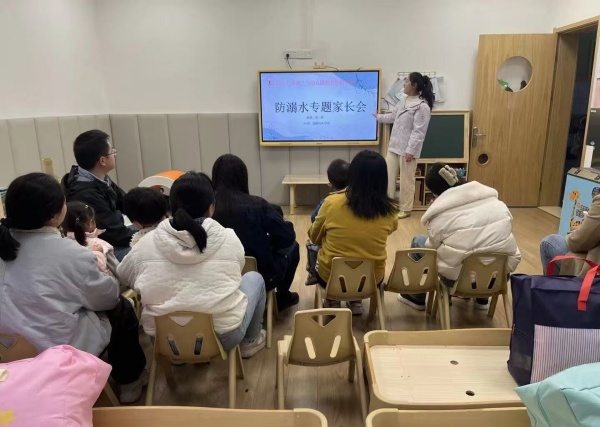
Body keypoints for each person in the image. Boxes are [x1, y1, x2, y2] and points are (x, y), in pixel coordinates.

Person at [0, 173, 147, 403]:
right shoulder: (70, 253)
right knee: (122, 308)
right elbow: (107, 297)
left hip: (9, 350)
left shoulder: (7, 243)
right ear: (54, 215)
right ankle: (129, 380)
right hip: (53, 352)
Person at [117, 172, 268, 358]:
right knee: (254, 278)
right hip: (224, 336)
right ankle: (250, 342)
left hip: (165, 339)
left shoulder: (145, 243)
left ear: (171, 206)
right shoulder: (228, 237)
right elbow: (236, 271)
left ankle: (178, 358)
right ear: (211, 208)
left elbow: (124, 275)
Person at [399, 164, 521, 311]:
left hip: (460, 280)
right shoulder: (498, 204)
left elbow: (432, 249)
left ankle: (416, 298)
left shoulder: (440, 215)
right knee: (489, 244)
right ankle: (482, 299)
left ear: (435, 193)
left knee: (419, 242)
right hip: (498, 278)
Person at [308, 150, 398, 315]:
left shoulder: (332, 202)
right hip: (372, 279)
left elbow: (314, 236)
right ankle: (355, 300)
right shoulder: (389, 209)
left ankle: (332, 299)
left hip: (331, 278)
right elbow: (391, 228)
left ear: (353, 175)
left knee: (314, 248)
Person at [212, 154, 300, 311]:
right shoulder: (257, 205)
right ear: (243, 177)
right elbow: (287, 236)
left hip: (218, 277)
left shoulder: (208, 207)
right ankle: (282, 297)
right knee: (294, 246)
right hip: (261, 276)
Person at [62, 130, 135, 261]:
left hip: (117, 234)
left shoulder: (98, 178)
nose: (115, 154)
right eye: (112, 152)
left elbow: (128, 203)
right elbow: (114, 234)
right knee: (153, 249)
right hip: (106, 247)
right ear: (102, 160)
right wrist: (148, 235)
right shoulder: (85, 193)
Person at [374, 72, 434, 219]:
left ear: (414, 86)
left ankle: (405, 209)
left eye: (406, 82)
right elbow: (392, 117)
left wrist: (410, 151)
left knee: (407, 181)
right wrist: (378, 117)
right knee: (388, 177)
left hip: (408, 151)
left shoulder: (422, 107)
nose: (404, 84)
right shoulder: (403, 101)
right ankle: (388, 205)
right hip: (394, 146)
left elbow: (418, 132)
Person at [306, 159, 350, 286]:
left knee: (312, 244)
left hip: (330, 277)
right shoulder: (366, 203)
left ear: (330, 184)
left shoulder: (328, 203)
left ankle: (313, 274)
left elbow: (313, 233)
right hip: (367, 278)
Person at [540, 195, 599, 276]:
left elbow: (578, 243)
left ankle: (554, 284)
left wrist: (573, 233)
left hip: (595, 269)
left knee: (548, 242)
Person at [62, 201, 118, 278]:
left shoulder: (61, 246)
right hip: (108, 284)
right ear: (90, 223)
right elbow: (118, 270)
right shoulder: (100, 245)